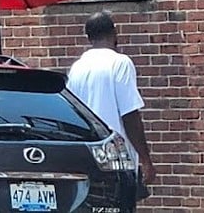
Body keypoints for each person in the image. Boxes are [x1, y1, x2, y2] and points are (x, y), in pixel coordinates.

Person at [67, 11, 157, 188]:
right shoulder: (120, 63)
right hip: (117, 157)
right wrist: (146, 160)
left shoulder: (77, 67)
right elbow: (129, 114)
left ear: (88, 37)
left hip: (87, 155)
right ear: (114, 33)